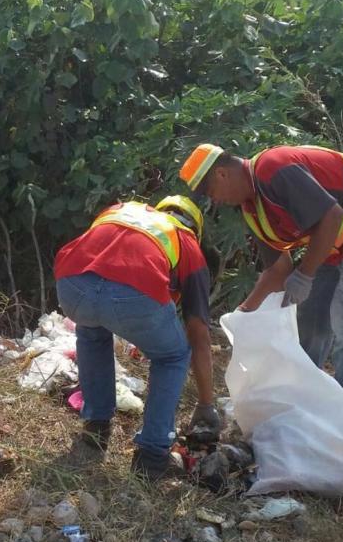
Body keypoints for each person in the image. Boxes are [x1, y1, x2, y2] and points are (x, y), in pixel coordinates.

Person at [180, 142, 343, 419]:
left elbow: (332, 217)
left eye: (211, 192)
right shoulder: (252, 210)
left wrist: (306, 275)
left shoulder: (274, 168)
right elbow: (278, 269)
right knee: (311, 324)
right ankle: (304, 407)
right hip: (335, 246)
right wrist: (244, 312)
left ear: (222, 174)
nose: (216, 201)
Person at [54, 195, 219, 479]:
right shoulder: (186, 241)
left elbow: (99, 269)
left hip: (71, 284)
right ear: (195, 228)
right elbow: (199, 336)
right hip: (131, 294)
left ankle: (95, 429)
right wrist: (206, 404)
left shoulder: (120, 210)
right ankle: (152, 456)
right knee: (172, 356)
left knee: (92, 331)